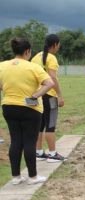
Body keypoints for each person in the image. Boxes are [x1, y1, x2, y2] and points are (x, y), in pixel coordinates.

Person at [0, 38, 54, 184]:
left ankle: (16, 177)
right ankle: (32, 177)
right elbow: (49, 83)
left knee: (15, 140)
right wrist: (36, 95)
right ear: (27, 51)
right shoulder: (33, 67)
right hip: (30, 107)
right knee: (30, 141)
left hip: (8, 106)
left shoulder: (2, 66)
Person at [32, 34, 65, 163]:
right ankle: (52, 154)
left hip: (38, 95)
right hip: (50, 95)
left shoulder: (35, 57)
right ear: (55, 44)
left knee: (40, 125)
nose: (59, 46)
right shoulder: (51, 58)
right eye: (59, 44)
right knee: (50, 125)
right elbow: (53, 78)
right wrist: (60, 95)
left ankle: (39, 152)